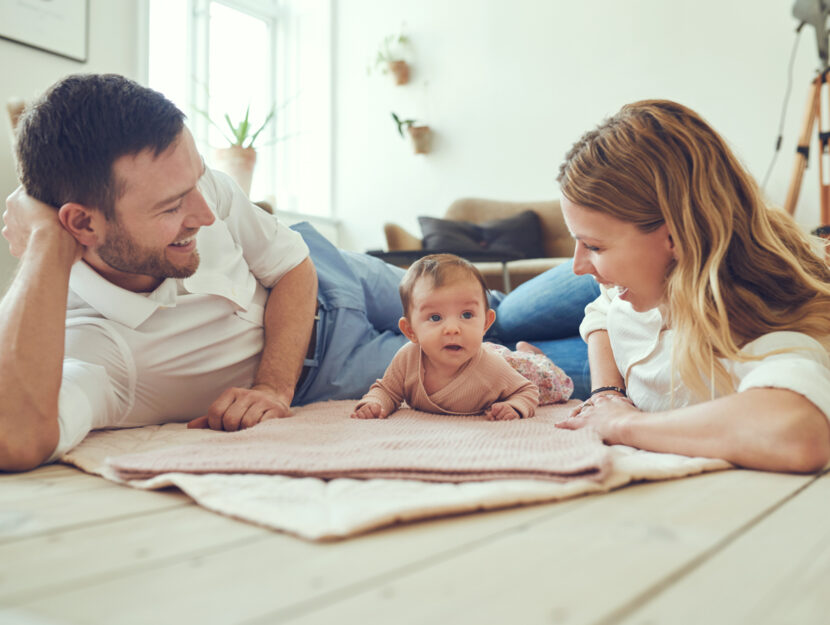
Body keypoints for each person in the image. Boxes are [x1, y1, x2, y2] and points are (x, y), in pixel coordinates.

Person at [0, 73, 596, 471]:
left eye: (198, 183)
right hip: (330, 363)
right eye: (170, 207)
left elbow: (290, 266)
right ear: (81, 224)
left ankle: (671, 265)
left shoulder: (191, 186)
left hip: (327, 272)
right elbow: (15, 436)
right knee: (531, 365)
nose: (205, 214)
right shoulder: (95, 347)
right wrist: (46, 244)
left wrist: (269, 388)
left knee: (502, 311)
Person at [549, 99, 830, 474]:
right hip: (618, 336)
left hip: (644, 335)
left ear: (676, 236)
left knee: (481, 347)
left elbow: (799, 432)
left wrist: (620, 423)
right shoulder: (627, 278)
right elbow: (601, 309)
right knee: (498, 316)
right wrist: (606, 394)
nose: (577, 265)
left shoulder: (755, 327)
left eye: (595, 246)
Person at [352, 254, 572, 420]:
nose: (452, 329)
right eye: (436, 317)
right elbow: (388, 390)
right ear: (411, 331)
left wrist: (514, 406)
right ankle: (526, 349)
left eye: (466, 315)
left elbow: (527, 390)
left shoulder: (491, 368)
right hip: (494, 358)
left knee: (553, 382)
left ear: (486, 322)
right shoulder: (407, 359)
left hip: (517, 369)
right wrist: (375, 402)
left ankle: (533, 355)